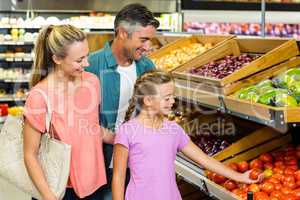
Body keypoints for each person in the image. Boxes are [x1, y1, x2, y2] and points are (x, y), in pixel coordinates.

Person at [112, 70, 263, 200]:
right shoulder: (127, 131)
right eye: (167, 98)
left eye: (172, 96)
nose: (172, 101)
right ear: (148, 100)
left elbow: (204, 159)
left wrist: (239, 176)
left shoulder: (173, 129)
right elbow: (118, 177)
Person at [23, 24, 114, 200]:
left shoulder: (92, 82)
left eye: (87, 56)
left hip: (95, 183)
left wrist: (122, 138)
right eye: (79, 60)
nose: (87, 64)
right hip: (59, 188)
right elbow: (30, 154)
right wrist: (49, 197)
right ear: (57, 58)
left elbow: (91, 128)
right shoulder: (40, 97)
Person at [85, 3, 160, 198]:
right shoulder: (90, 65)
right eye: (143, 39)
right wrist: (117, 139)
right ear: (122, 33)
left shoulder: (147, 66)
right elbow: (78, 120)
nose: (148, 47)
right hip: (95, 163)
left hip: (133, 163)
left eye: (150, 40)